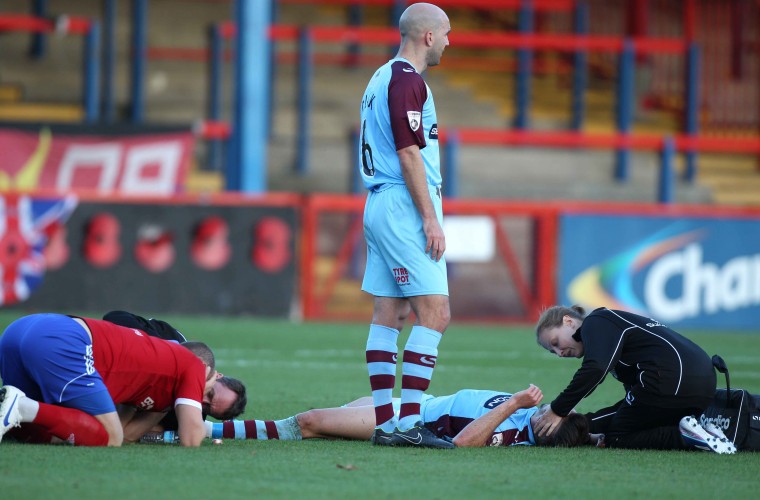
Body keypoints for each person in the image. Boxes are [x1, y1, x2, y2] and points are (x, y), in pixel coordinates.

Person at [358, 2, 453, 448]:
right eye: (447, 34)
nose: (450, 42)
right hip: (403, 205)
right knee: (435, 313)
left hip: (380, 201)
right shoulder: (406, 80)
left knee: (390, 313)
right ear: (429, 36)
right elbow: (409, 153)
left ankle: (385, 424)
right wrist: (430, 219)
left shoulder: (380, 78)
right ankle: (410, 424)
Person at [533, 305, 737, 454]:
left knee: (618, 436)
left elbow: (594, 370)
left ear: (568, 321)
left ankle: (684, 437)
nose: (559, 352)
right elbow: (633, 404)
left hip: (670, 379)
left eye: (556, 342)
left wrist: (558, 409)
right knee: (627, 421)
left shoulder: (596, 322)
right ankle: (704, 431)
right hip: (701, 382)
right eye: (553, 351)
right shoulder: (608, 335)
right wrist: (583, 423)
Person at [0, 313, 220, 447]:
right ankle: (20, 406)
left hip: (22, 330)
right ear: (206, 370)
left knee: (38, 432)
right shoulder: (192, 365)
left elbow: (126, 435)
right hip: (61, 340)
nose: (203, 402)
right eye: (209, 392)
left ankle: (14, 409)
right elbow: (191, 439)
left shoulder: (160, 376)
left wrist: (165, 408)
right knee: (109, 438)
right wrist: (201, 423)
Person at [202, 384, 592, 449]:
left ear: (546, 428)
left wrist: (512, 404)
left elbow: (461, 443)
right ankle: (199, 427)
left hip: (407, 419)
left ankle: (207, 429)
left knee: (308, 421)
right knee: (318, 429)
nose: (557, 406)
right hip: (416, 401)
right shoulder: (530, 415)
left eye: (559, 413)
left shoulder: (514, 431)